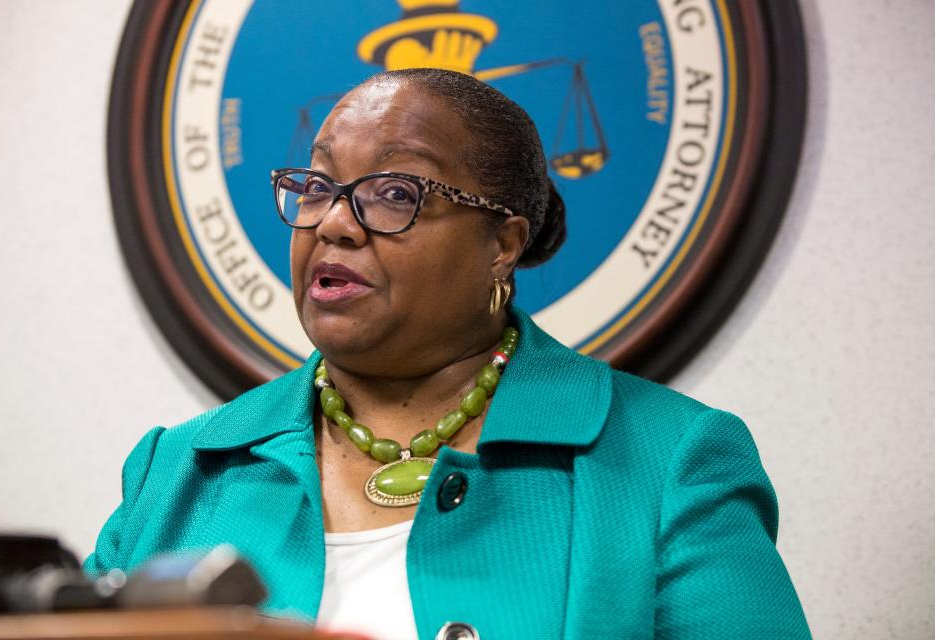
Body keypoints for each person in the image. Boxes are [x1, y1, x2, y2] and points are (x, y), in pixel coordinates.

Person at [85, 68, 810, 639]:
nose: (334, 222)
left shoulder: (671, 460)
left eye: (395, 191)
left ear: (503, 243)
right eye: (316, 186)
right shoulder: (176, 471)